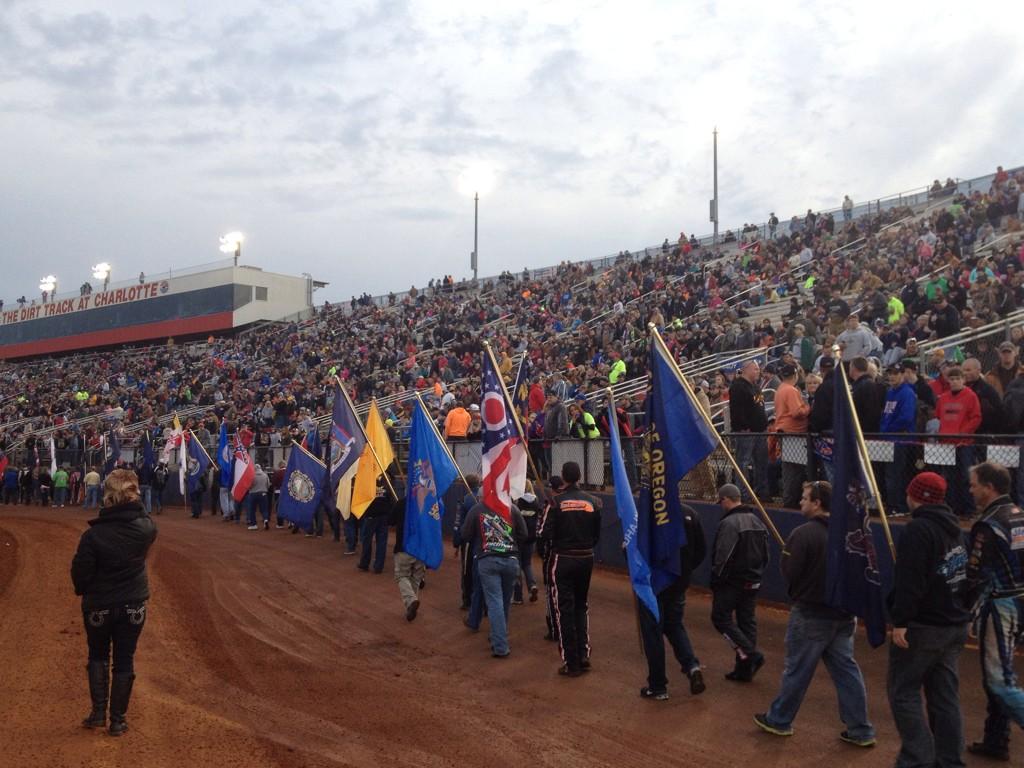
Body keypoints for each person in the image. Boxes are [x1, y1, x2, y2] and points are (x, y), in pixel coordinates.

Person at [754, 481, 875, 746]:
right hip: (844, 615)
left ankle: (779, 719)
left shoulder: (803, 533)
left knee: (797, 670)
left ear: (817, 503)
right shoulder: (852, 533)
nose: (800, 502)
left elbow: (789, 571)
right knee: (847, 671)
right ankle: (861, 729)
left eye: (805, 498)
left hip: (811, 613)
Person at [887, 472, 971, 768]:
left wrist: (901, 620)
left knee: (903, 692)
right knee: (944, 695)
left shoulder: (918, 530)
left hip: (925, 626)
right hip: (953, 624)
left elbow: (911, 581)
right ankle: (949, 760)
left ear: (915, 496)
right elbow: (965, 577)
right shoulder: (955, 528)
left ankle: (917, 758)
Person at [70, 469, 158, 736]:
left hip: (99, 604)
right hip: (133, 603)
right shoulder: (147, 528)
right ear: (134, 494)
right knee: (125, 659)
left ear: (108, 495)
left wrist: (84, 589)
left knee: (97, 655)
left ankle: (98, 713)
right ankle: (117, 721)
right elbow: (143, 517)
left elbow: (80, 577)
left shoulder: (92, 536)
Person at [965, 462, 1024, 762]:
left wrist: (965, 609)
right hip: (1017, 601)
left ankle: (997, 739)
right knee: (998, 676)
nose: (971, 489)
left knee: (999, 681)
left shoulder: (988, 524)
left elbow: (974, 574)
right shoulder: (1018, 515)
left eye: (974, 484)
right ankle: (996, 740)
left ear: (989, 487)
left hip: (1000, 604)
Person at [637, 502, 707, 700]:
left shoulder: (648, 516)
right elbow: (700, 551)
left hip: (654, 584)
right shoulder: (690, 513)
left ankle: (658, 686)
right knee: (674, 626)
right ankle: (692, 667)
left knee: (653, 632)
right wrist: (684, 571)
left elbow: (636, 551)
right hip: (678, 583)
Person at [539, 461, 601, 676]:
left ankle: (571, 662)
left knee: (564, 609)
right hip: (586, 558)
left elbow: (543, 533)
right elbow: (596, 535)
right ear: (580, 476)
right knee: (581, 606)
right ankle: (583, 655)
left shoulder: (555, 502)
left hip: (563, 559)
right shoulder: (594, 501)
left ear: (564, 477)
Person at [711, 483, 769, 682]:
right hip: (753, 580)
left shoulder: (729, 524)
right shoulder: (757, 521)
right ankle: (744, 669)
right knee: (747, 622)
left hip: (732, 582)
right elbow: (766, 555)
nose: (721, 506)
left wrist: (716, 579)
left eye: (721, 502)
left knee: (720, 618)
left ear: (726, 499)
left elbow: (723, 556)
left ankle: (750, 654)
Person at [459, 493, 527, 657]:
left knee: (495, 601)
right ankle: (497, 635)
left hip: (488, 559)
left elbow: (465, 534)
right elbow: (524, 534)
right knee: (503, 601)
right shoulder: (513, 509)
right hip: (510, 559)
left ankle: (500, 646)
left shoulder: (477, 509)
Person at [729, 360, 768, 500]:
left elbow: (760, 406)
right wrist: (743, 426)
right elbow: (736, 410)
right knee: (743, 462)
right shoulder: (738, 386)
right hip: (746, 432)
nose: (758, 372)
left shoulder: (756, 387)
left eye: (758, 369)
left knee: (761, 462)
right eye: (755, 369)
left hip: (760, 430)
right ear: (746, 370)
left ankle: (761, 492)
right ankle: (743, 494)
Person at [773, 363, 810, 508]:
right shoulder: (790, 390)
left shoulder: (780, 389)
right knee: (794, 470)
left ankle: (789, 499)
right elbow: (797, 412)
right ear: (795, 375)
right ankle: (791, 501)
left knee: (789, 468)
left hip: (785, 431)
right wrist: (808, 408)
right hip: (793, 432)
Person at [389, 485, 425, 621]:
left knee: (401, 576)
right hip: (420, 548)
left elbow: (390, 521)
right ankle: (412, 603)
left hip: (404, 547)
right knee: (416, 577)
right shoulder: (425, 504)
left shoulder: (402, 503)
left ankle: (411, 601)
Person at [357, 483, 391, 574]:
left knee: (367, 540)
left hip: (371, 516)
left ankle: (365, 563)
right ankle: (378, 566)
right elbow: (390, 499)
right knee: (381, 542)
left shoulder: (368, 479)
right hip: (382, 515)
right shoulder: (386, 479)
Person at [246, 464, 271, 530]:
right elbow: (268, 485)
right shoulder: (265, 475)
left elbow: (249, 485)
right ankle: (265, 519)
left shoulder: (252, 476)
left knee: (252, 510)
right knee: (264, 509)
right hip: (263, 493)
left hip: (253, 494)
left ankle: (254, 524)